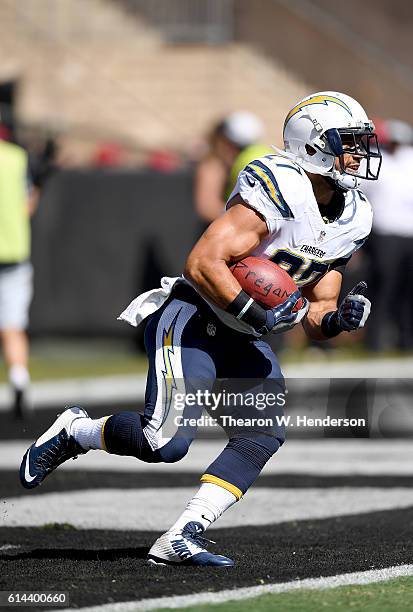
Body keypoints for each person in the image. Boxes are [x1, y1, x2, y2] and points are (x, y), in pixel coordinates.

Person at [20, 91, 380, 566]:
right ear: (313, 145)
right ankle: (76, 431)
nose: (359, 154)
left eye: (361, 142)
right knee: (163, 442)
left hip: (245, 333)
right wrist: (256, 313)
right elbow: (203, 262)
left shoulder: (354, 215)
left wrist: (336, 321)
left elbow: (317, 306)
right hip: (196, 319)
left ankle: (182, 533)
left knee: (261, 436)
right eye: (348, 142)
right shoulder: (281, 186)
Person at [362, 119, 413, 351]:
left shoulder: (409, 160)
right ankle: (375, 339)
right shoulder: (373, 160)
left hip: (408, 232)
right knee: (383, 285)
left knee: (407, 288)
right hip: (383, 232)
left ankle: (406, 338)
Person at [0, 122, 38, 418]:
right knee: (13, 326)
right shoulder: (16, 157)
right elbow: (28, 204)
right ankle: (19, 377)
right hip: (15, 254)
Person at [194, 112, 270, 227]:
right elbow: (207, 208)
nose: (233, 151)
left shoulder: (255, 158)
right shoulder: (214, 165)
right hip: (220, 233)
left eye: (242, 148)